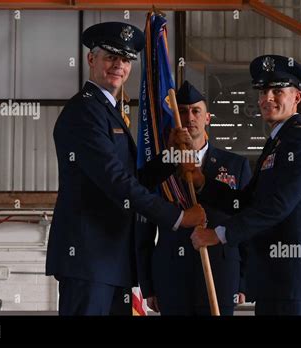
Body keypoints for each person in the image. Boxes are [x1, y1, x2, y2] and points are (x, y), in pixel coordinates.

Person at [45, 22, 205, 316]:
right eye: (110, 57)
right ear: (91, 60)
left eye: (126, 59)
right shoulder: (84, 112)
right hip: (89, 260)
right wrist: (179, 217)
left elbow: (133, 178)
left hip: (113, 259)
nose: (119, 65)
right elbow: (117, 183)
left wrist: (170, 156)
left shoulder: (108, 111)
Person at [189, 55, 301, 315]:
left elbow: (278, 206)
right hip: (273, 279)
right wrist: (203, 184)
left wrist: (218, 235)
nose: (268, 98)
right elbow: (248, 202)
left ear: (296, 97)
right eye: (264, 91)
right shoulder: (277, 143)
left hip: (293, 279)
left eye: (278, 91)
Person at [135, 81, 251, 315]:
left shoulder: (236, 165)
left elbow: (248, 221)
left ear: (207, 117)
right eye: (183, 111)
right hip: (171, 275)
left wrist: (244, 280)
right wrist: (147, 285)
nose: (189, 117)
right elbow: (143, 230)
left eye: (196, 111)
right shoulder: (159, 168)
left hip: (221, 272)